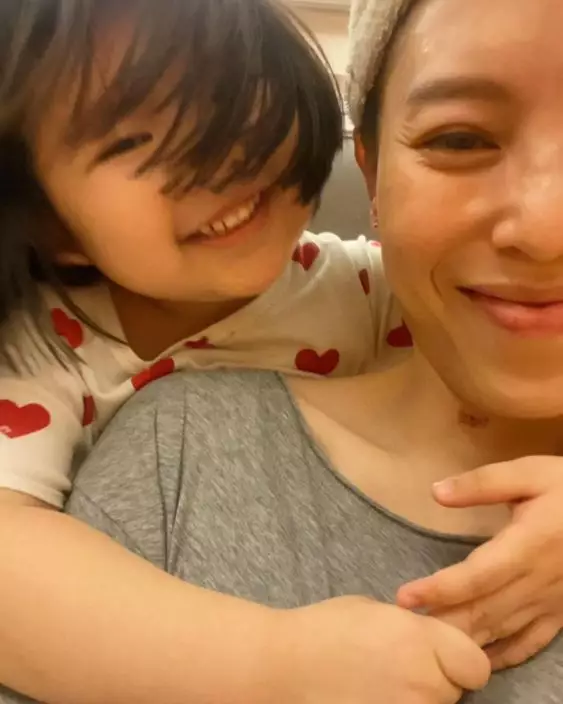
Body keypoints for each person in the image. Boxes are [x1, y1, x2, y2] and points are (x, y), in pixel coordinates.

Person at [3, 0, 562, 702]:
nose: (217, 159)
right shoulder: (36, 355)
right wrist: (269, 663)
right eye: (131, 142)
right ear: (49, 222)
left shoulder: (360, 289)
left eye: (228, 101)